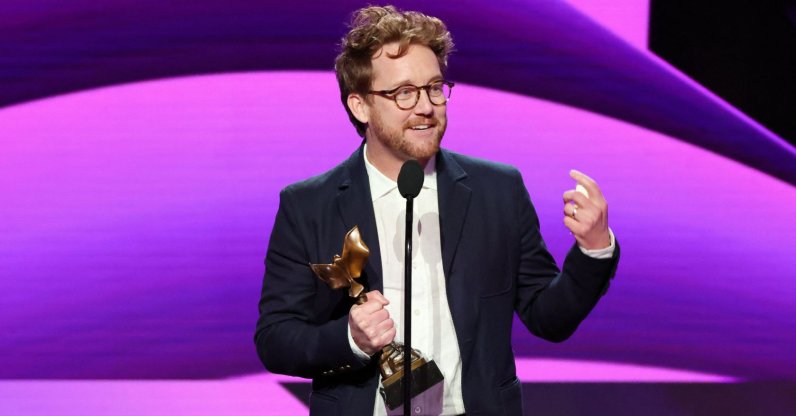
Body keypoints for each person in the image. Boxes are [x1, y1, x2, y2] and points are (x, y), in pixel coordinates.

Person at [254, 5, 619, 416]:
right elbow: (276, 338)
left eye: (434, 88)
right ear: (360, 106)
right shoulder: (309, 205)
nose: (426, 106)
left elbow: (549, 318)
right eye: (403, 92)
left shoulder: (497, 191)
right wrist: (351, 339)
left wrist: (593, 250)